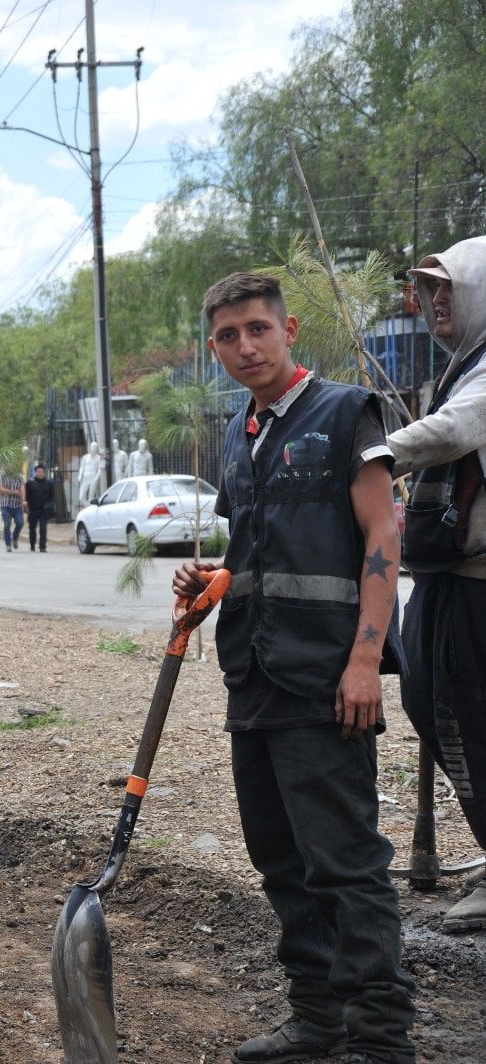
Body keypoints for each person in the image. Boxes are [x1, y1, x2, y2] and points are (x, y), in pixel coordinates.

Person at [174, 272, 414, 1064]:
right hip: (255, 676)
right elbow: (256, 557)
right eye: (227, 336)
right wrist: (210, 587)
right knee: (280, 858)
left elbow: (383, 535)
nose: (245, 346)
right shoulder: (243, 434)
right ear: (214, 348)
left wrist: (366, 662)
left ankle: (381, 1040)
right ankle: (318, 1018)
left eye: (257, 330)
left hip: (328, 682)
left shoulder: (346, 412)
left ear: (289, 329)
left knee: (346, 865)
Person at [385, 238, 486, 934]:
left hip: (475, 583)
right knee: (442, 708)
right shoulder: (466, 363)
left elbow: (455, 431)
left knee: (464, 720)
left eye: (450, 287)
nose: (435, 300)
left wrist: (373, 452)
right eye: (429, 289)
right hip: (448, 577)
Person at [24, 464, 53, 552]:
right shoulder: (30, 483)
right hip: (33, 509)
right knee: (32, 528)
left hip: (44, 510)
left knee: (43, 528)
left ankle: (42, 546)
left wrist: (48, 505)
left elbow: (52, 496)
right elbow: (26, 496)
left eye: (42, 472)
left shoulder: (49, 483)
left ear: (44, 473)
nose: (40, 473)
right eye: (38, 472)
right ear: (35, 472)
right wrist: (27, 507)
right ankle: (32, 544)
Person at [0, 468, 24, 552]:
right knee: (7, 524)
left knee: (20, 523)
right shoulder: (1, 476)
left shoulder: (19, 477)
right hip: (5, 505)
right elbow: (0, 489)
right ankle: (8, 544)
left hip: (17, 505)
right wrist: (13, 492)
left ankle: (15, 537)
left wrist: (23, 500)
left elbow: (22, 490)